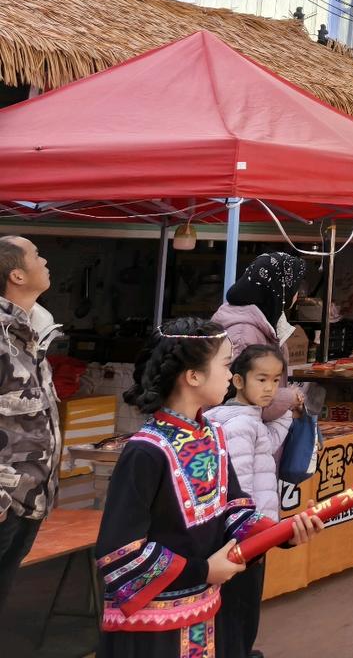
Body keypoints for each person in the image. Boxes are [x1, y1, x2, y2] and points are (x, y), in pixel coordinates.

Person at [97, 319, 321, 657]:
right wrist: (203, 571)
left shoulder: (212, 436)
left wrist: (283, 533)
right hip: (151, 632)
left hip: (203, 616)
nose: (231, 375)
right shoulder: (145, 451)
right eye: (226, 365)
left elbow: (234, 510)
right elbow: (119, 555)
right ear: (193, 376)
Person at [211, 343, 300, 658]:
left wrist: (287, 412)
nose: (270, 388)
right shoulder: (240, 425)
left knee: (238, 614)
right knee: (238, 614)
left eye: (276, 381)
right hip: (244, 538)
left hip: (249, 536)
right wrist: (252, 535)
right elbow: (239, 491)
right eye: (261, 379)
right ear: (238, 380)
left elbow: (269, 440)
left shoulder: (246, 419)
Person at [0, 235, 61, 613]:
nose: (45, 261)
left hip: (29, 499)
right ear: (17, 275)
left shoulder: (33, 330)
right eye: (37, 255)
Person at [212, 252, 306, 424]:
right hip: (241, 434)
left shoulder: (267, 322)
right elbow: (234, 400)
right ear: (280, 289)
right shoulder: (243, 334)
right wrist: (289, 397)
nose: (297, 295)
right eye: (294, 288)